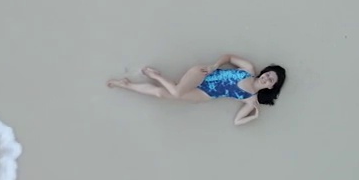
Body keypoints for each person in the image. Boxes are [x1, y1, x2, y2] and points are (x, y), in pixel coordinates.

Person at [107, 53, 287, 126]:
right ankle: (156, 77)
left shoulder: (251, 99)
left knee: (163, 93)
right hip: (203, 74)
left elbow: (237, 122)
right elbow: (229, 56)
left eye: (270, 79)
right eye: (268, 73)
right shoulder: (248, 69)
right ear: (264, 72)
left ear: (271, 86)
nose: (266, 77)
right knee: (176, 92)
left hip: (206, 94)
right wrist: (214, 65)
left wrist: (254, 115)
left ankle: (127, 84)